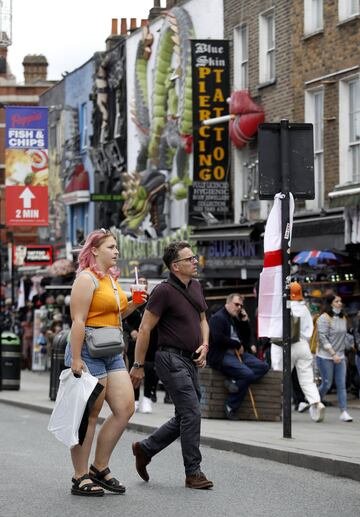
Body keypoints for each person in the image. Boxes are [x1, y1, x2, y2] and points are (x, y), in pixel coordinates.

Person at [64, 229, 146, 496]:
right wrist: (76, 359)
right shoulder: (86, 279)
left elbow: (118, 312)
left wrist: (134, 303)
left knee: (125, 408)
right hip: (88, 349)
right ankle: (80, 475)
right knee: (90, 414)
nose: (116, 251)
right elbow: (78, 320)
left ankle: (99, 467)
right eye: (111, 247)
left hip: (111, 349)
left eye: (116, 247)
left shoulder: (111, 279)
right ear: (95, 250)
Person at [130, 241, 213, 490]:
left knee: (185, 415)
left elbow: (203, 320)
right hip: (169, 358)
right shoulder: (163, 291)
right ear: (176, 266)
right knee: (191, 413)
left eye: (194, 257)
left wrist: (205, 345)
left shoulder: (196, 286)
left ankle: (145, 449)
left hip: (191, 359)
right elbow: (145, 329)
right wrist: (138, 364)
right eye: (190, 259)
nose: (195, 261)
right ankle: (193, 472)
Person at [208, 293, 269, 420]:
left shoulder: (235, 319)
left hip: (237, 354)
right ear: (228, 303)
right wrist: (236, 344)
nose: (239, 308)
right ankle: (231, 406)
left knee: (263, 366)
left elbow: (245, 339)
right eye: (236, 304)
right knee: (247, 374)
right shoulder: (218, 318)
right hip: (223, 355)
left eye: (241, 306)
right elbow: (218, 339)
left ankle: (234, 382)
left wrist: (245, 321)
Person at [270, 282, 325, 422]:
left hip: (282, 345)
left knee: (279, 376)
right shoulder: (304, 308)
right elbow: (309, 330)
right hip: (302, 345)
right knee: (307, 378)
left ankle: (277, 406)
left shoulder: (280, 307)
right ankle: (316, 402)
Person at [316, 294, 354, 422]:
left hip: (340, 355)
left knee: (341, 385)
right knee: (327, 384)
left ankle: (344, 411)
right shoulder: (323, 318)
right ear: (330, 303)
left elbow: (345, 335)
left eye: (340, 301)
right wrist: (333, 354)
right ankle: (314, 400)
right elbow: (322, 337)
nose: (340, 303)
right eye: (337, 301)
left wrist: (350, 344)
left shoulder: (343, 318)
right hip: (325, 355)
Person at [124, 276, 158, 413]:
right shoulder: (129, 301)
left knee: (150, 368)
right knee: (134, 367)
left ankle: (147, 398)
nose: (142, 285)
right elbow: (122, 319)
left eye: (144, 283)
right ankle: (136, 399)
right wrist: (131, 331)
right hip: (134, 341)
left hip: (150, 340)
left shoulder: (152, 301)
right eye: (139, 283)